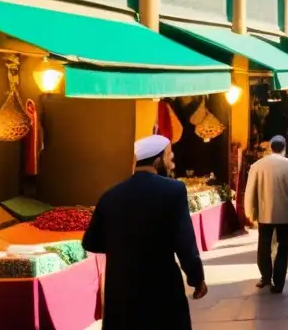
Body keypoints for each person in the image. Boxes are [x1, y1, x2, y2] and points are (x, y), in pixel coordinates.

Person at [83, 135, 207, 329]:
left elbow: (92, 243)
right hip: (161, 287)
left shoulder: (110, 196)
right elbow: (184, 241)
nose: (172, 164)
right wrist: (196, 277)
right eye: (168, 157)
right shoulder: (173, 191)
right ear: (157, 160)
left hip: (121, 290)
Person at [244, 135, 288, 293]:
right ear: (284, 148)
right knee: (283, 247)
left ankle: (265, 276)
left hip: (264, 213)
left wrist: (250, 211)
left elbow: (250, 191)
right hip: (285, 213)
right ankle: (279, 282)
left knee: (263, 245)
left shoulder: (257, 165)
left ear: (270, 147)